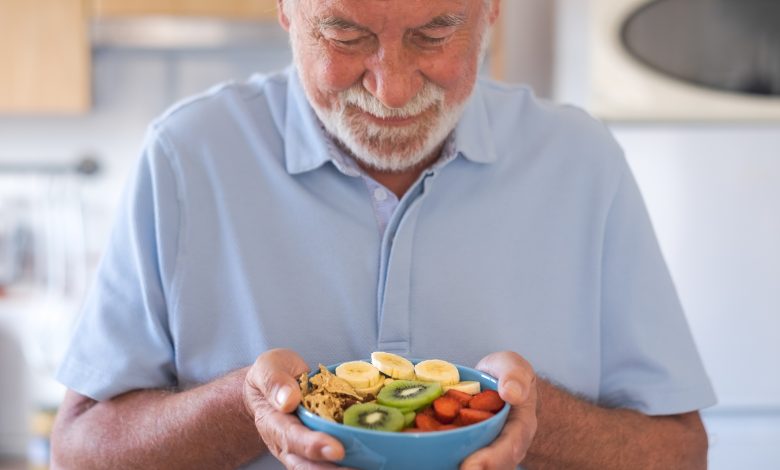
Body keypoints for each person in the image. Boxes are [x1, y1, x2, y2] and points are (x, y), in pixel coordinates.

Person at [50, 0, 716, 468]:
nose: (391, 91)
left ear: (491, 11)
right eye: (344, 35)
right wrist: (245, 408)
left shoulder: (581, 162)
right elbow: (78, 452)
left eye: (433, 35)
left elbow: (682, 453)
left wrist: (532, 419)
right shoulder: (184, 157)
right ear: (286, 10)